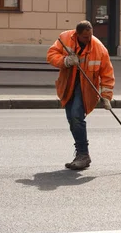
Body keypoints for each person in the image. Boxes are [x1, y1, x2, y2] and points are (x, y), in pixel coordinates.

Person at [47, 20, 115, 170]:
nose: (88, 39)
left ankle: (83, 154)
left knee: (77, 116)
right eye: (85, 37)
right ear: (77, 34)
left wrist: (106, 96)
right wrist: (65, 61)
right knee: (72, 119)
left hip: (86, 89)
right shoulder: (64, 38)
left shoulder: (99, 48)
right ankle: (81, 153)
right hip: (68, 86)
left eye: (90, 35)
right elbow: (51, 55)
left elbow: (107, 74)